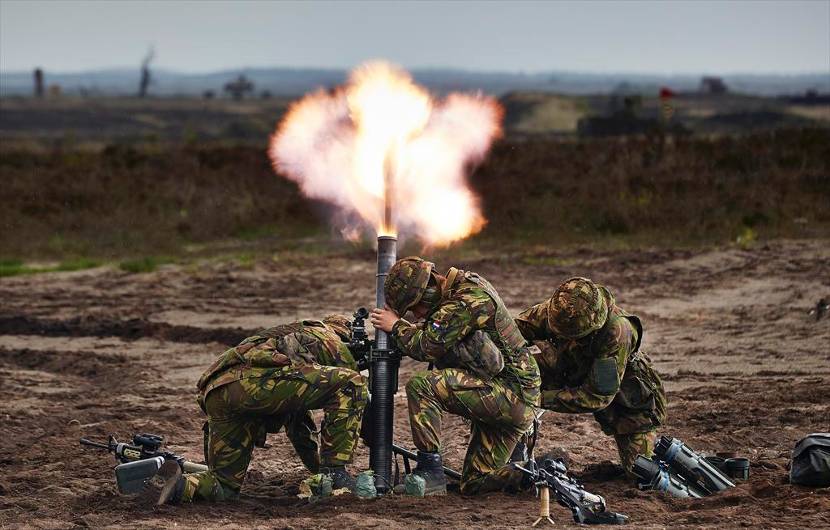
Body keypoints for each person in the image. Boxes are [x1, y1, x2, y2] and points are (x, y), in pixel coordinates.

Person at [144, 315, 368, 505]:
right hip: (252, 387)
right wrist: (333, 472)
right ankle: (336, 473)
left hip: (218, 393)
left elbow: (299, 427)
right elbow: (350, 390)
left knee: (223, 485)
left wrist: (318, 471)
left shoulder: (283, 337)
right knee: (351, 382)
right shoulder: (328, 338)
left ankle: (176, 486)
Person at [371, 257, 541, 495]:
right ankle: (532, 472)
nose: (416, 315)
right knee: (475, 484)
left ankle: (430, 471)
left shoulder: (465, 301)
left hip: (511, 397)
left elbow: (427, 346)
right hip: (506, 396)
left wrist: (396, 326)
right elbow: (437, 331)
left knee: (422, 386)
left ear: (428, 292)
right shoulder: (456, 293)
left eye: (414, 308)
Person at [515, 277, 667, 475]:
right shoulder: (558, 311)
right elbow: (511, 332)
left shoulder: (617, 331)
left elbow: (595, 397)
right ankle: (514, 449)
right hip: (567, 367)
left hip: (625, 393)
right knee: (512, 377)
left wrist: (535, 399)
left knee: (643, 473)